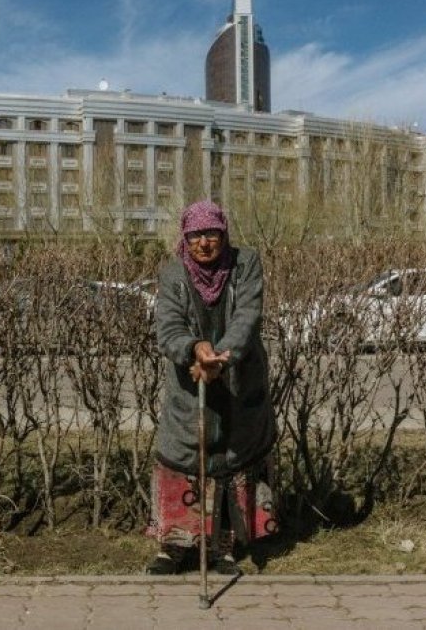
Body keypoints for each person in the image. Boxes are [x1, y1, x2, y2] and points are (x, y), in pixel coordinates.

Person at [145, 200, 278, 575]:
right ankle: (175, 546)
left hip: (238, 378)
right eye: (196, 236)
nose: (204, 243)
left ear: (224, 233)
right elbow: (168, 325)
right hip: (191, 382)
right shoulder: (173, 273)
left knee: (232, 461)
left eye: (211, 234)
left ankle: (225, 545)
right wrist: (194, 349)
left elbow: (247, 316)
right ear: (185, 239)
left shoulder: (245, 263)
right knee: (182, 457)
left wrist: (222, 356)